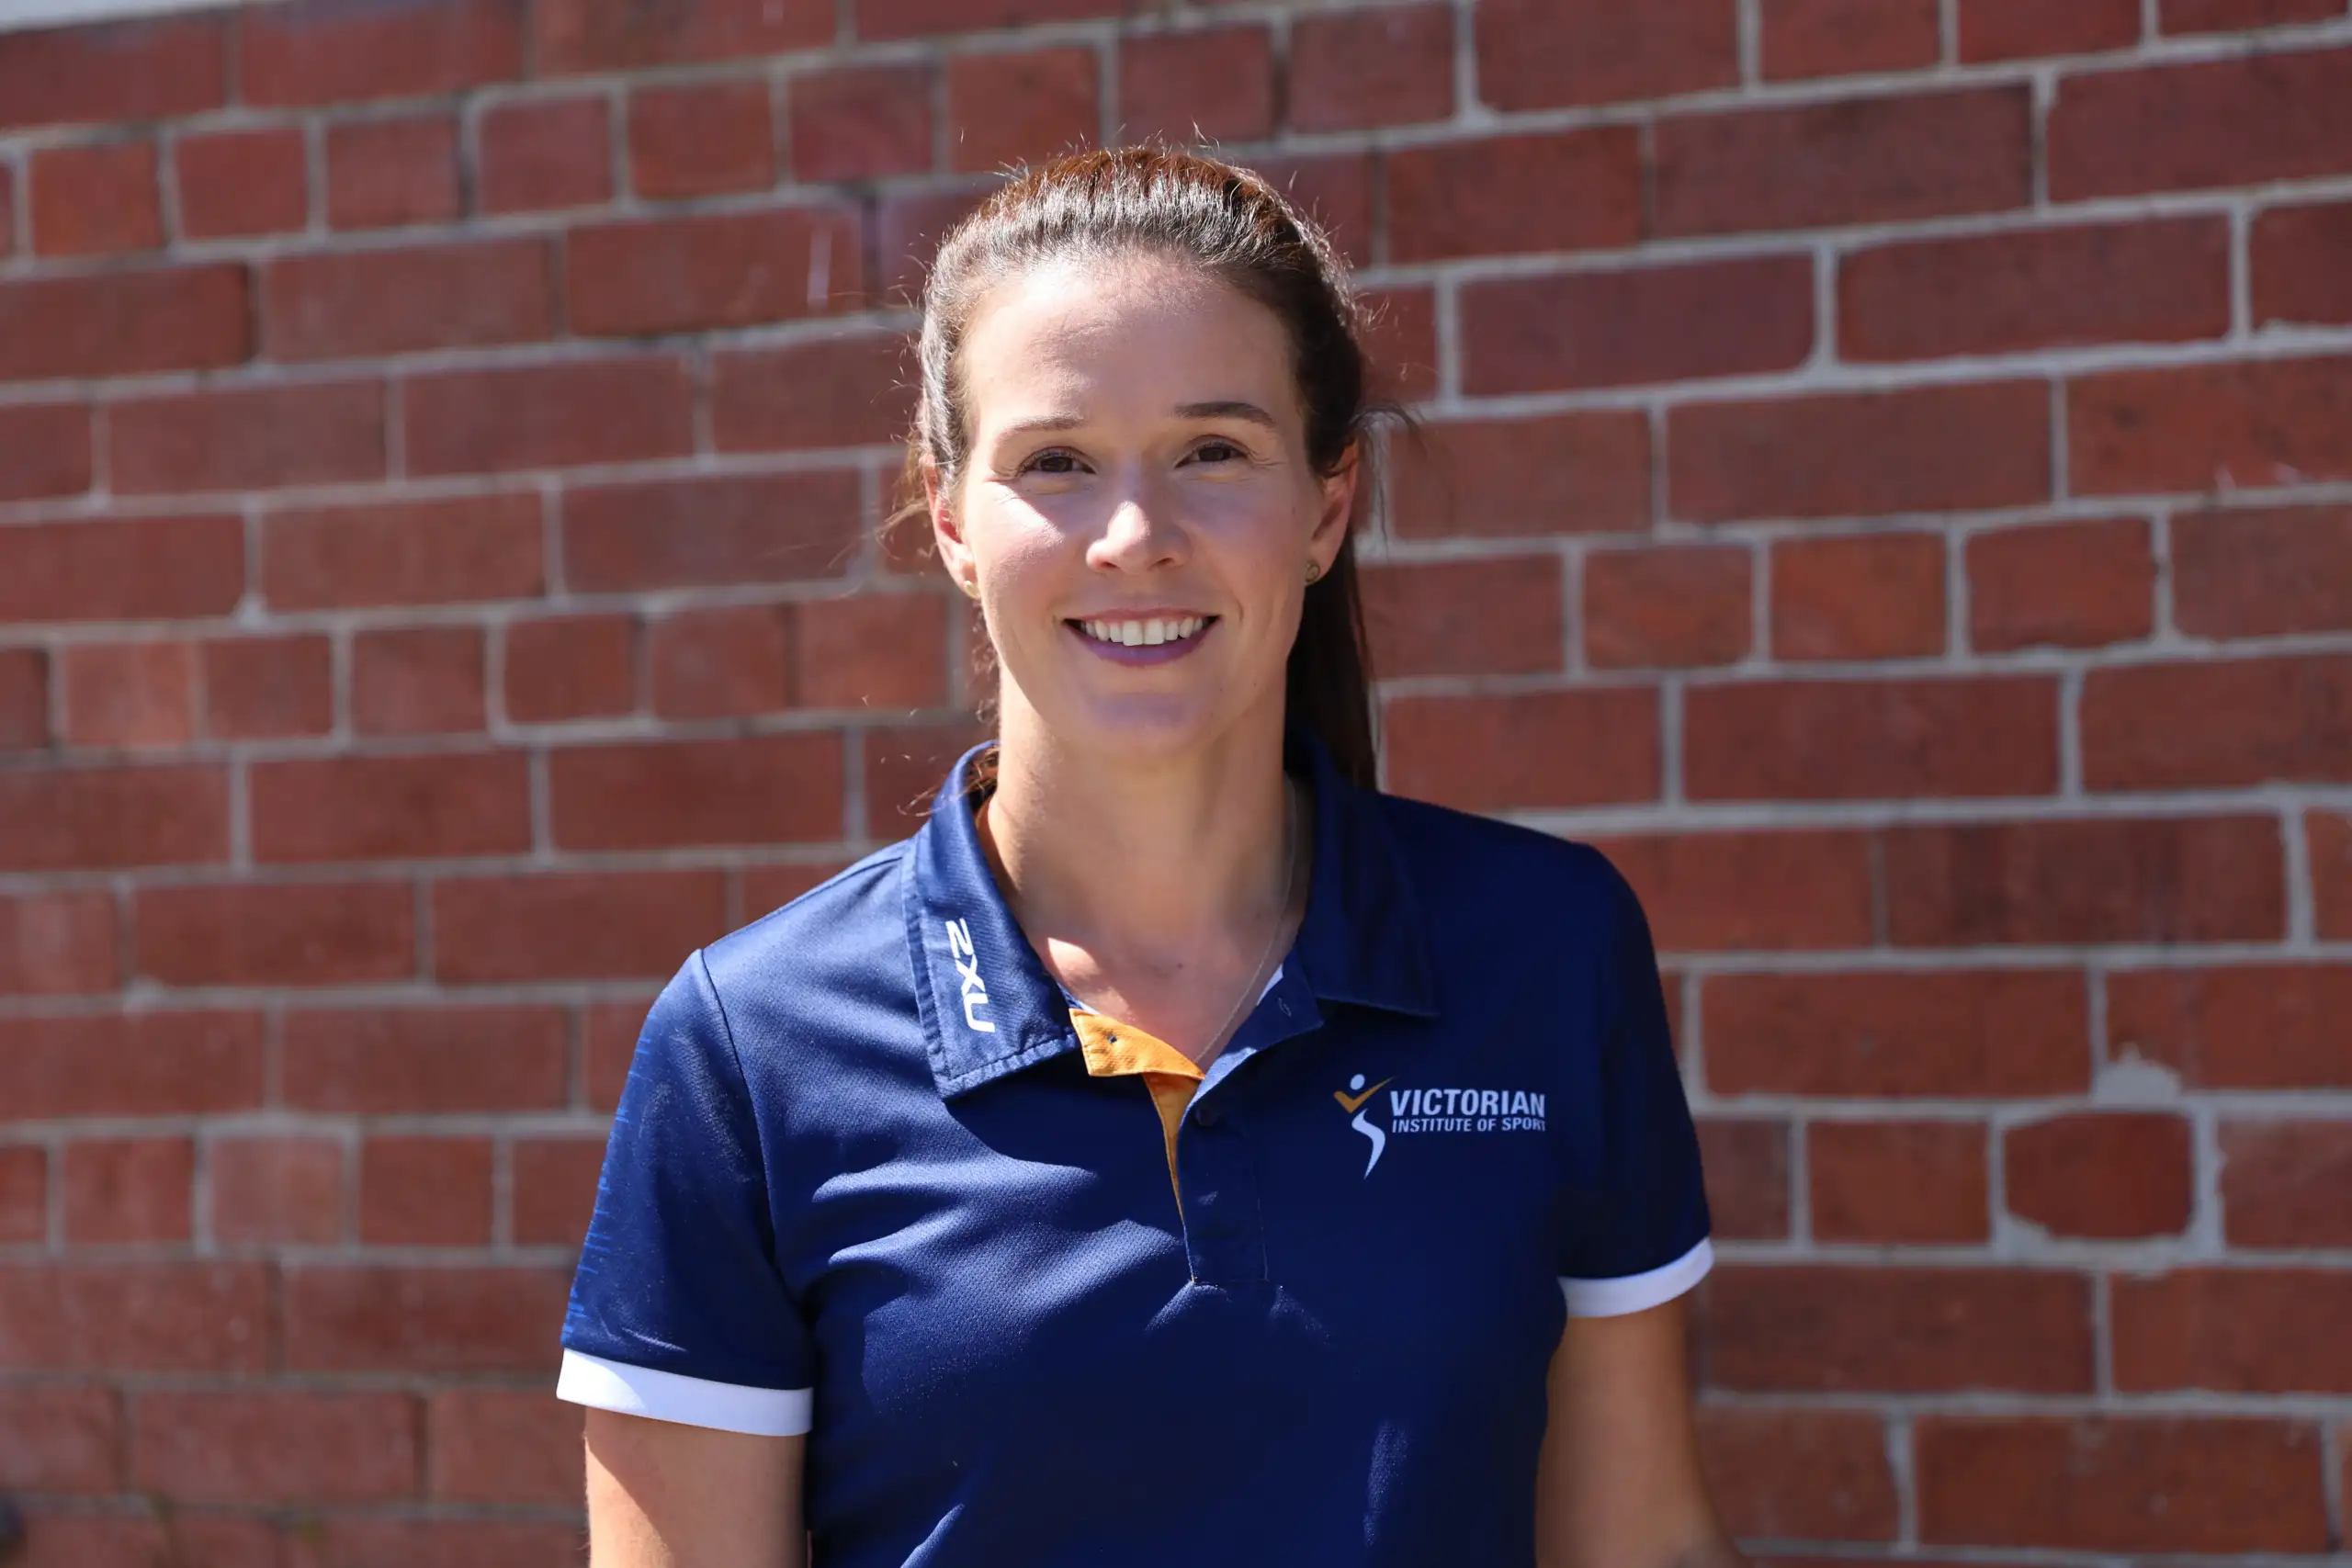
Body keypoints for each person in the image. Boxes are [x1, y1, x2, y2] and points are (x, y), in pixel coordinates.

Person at [556, 146, 1741, 1568]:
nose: (1134, 537)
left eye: (1213, 451)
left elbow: (1641, 1544)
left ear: (1325, 504)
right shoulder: (752, 1048)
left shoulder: (1546, 950)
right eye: (1055, 461)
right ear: (949, 517)